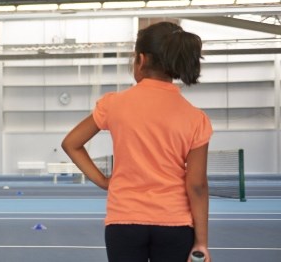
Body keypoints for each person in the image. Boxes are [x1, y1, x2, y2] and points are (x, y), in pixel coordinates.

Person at [62, 21, 212, 262]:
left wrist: (103, 181)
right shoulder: (196, 118)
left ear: (141, 60)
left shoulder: (113, 104)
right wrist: (202, 242)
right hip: (175, 224)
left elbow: (71, 143)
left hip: (124, 222)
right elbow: (197, 185)